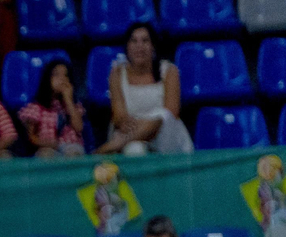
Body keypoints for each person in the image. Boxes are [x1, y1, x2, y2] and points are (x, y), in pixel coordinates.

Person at [105, 24, 193, 155]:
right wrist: (140, 130)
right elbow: (119, 117)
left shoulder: (169, 71)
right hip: (129, 133)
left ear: (153, 46)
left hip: (165, 135)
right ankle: (124, 143)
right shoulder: (117, 73)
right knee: (134, 149)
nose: (139, 46)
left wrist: (148, 126)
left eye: (145, 41)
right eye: (134, 41)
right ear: (127, 47)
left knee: (163, 115)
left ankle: (112, 146)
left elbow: (171, 112)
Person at [16, 58, 87, 157]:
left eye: (66, 75)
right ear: (47, 78)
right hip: (47, 147)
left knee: (74, 153)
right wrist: (50, 144)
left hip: (71, 145)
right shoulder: (36, 107)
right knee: (45, 155)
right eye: (56, 74)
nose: (62, 79)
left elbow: (79, 128)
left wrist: (68, 100)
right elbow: (31, 137)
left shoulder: (74, 106)